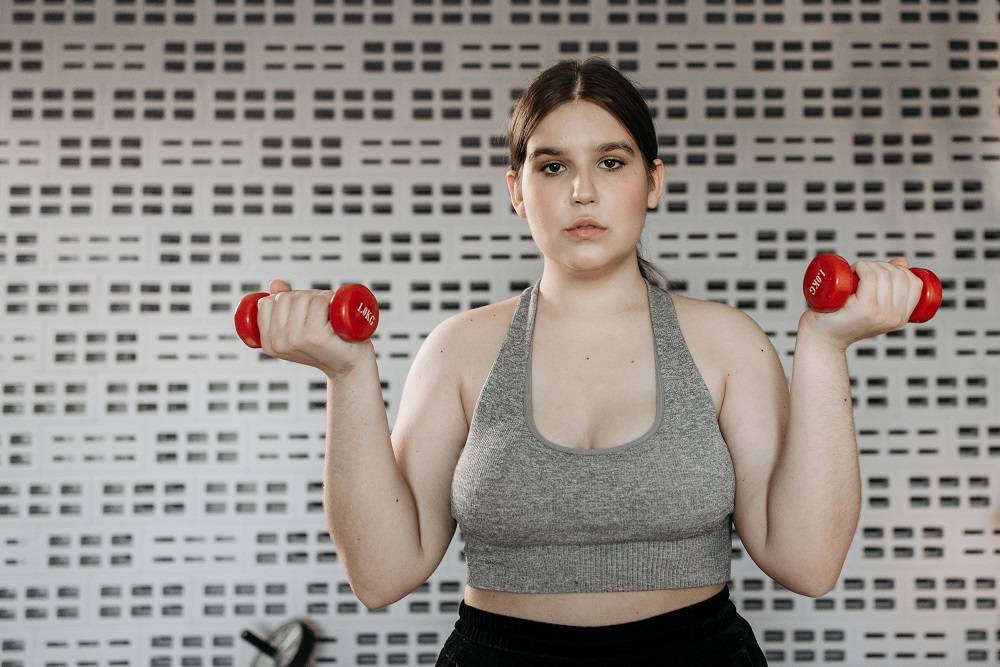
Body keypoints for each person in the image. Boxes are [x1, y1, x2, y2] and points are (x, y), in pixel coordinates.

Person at [253, 57, 926, 666]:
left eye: (611, 161)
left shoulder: (726, 345)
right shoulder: (457, 351)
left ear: (652, 181)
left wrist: (827, 345)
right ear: (517, 189)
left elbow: (807, 561)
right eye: (552, 166)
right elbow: (382, 573)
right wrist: (346, 373)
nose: (582, 191)